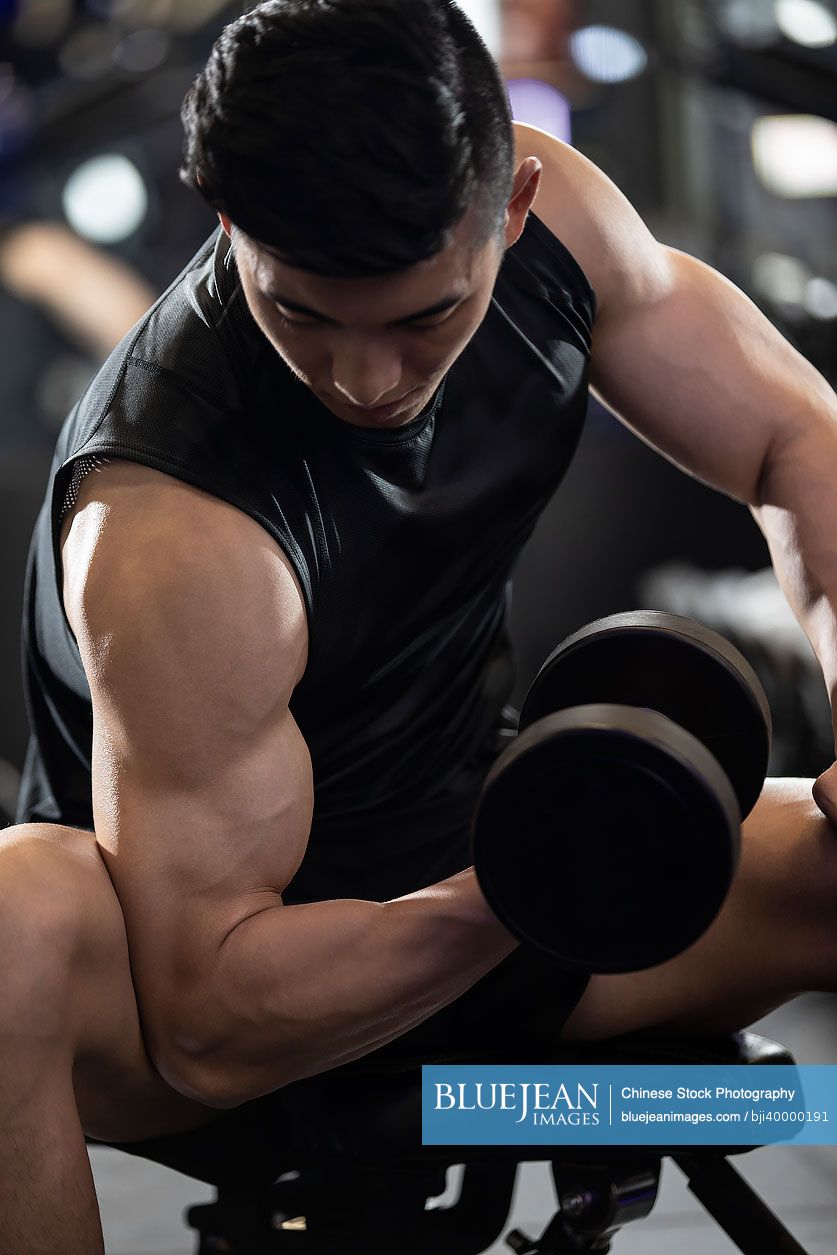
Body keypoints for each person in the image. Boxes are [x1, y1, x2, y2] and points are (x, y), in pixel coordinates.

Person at [4, 2, 837, 1251]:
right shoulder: (175, 533)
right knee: (17, 916)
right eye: (304, 315)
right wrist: (533, 881)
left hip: (483, 861)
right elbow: (209, 1025)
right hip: (197, 988)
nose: (366, 380)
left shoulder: (559, 234)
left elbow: (793, 434)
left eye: (423, 319)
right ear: (232, 225)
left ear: (511, 208)